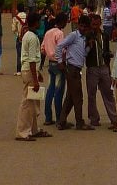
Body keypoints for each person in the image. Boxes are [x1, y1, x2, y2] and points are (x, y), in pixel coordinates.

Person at [15, 10, 50, 142]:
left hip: (29, 70)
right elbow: (31, 60)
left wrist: (38, 74)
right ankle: (23, 132)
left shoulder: (28, 35)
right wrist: (35, 79)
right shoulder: (32, 37)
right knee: (28, 102)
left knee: (33, 101)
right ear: (36, 23)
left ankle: (33, 129)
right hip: (29, 71)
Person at [56, 14, 94, 130]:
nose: (83, 29)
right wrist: (59, 61)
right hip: (71, 68)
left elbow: (83, 54)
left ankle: (61, 121)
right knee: (78, 97)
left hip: (77, 69)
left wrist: (88, 48)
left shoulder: (84, 38)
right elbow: (59, 46)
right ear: (78, 25)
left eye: (85, 27)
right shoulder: (74, 35)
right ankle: (79, 122)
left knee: (71, 97)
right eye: (81, 26)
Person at [41, 13, 68, 126]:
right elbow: (61, 49)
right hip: (58, 63)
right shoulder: (59, 33)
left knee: (50, 90)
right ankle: (59, 118)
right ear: (62, 22)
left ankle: (48, 117)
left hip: (51, 63)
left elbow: (42, 49)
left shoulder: (48, 33)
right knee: (59, 91)